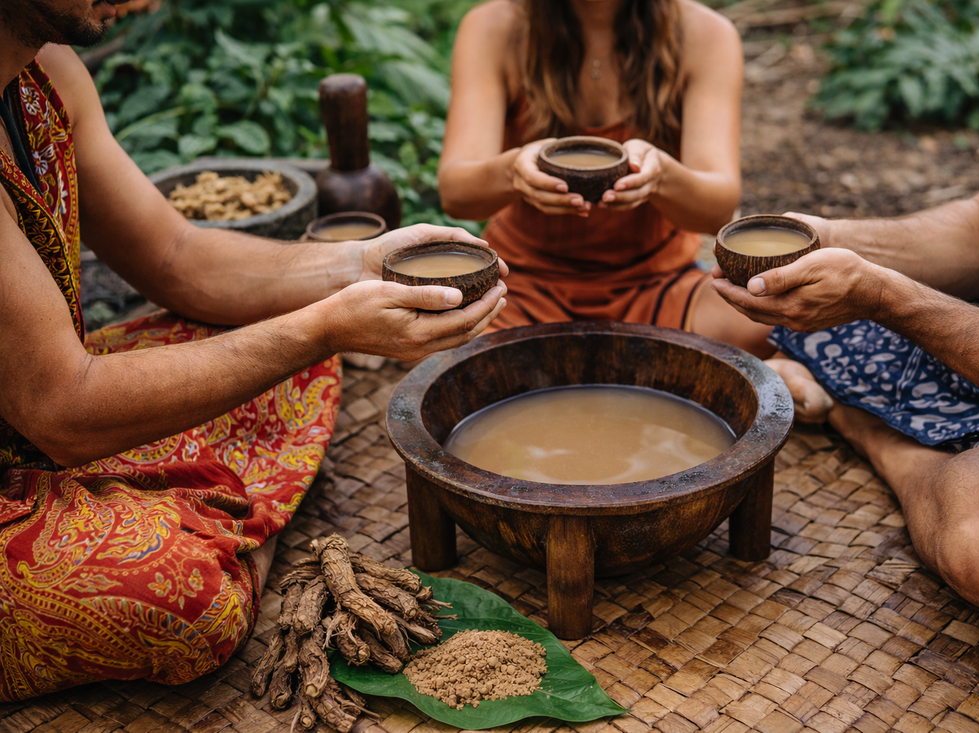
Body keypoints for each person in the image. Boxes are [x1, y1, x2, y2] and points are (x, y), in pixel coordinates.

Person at [0, 0, 506, 702]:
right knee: (189, 601)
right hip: (50, 420)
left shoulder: (47, 76)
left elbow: (176, 256)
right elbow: (60, 407)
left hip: (43, 421)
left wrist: (356, 265)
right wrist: (323, 327)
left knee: (285, 358)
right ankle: (214, 527)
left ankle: (193, 509)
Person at [713, 7, 979, 630]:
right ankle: (978, 457)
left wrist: (890, 301)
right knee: (787, 333)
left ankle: (873, 428)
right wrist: (832, 238)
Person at [437, 0, 773, 357]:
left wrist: (662, 177)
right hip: (521, 286)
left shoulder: (705, 34)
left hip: (660, 285)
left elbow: (716, 212)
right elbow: (456, 194)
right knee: (447, 350)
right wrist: (513, 172)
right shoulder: (494, 26)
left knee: (769, 320)